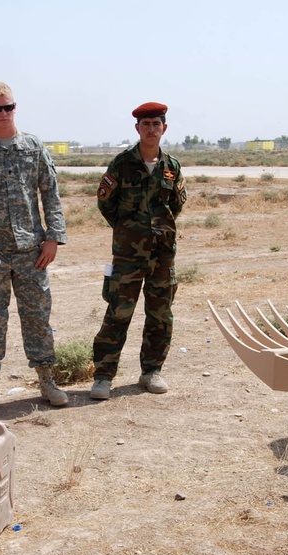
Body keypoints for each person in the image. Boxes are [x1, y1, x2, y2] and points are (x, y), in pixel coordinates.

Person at [0, 81, 69, 414]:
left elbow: (50, 194)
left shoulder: (34, 148)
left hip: (32, 251)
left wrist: (53, 236)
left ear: (15, 107)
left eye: (8, 107)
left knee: (37, 317)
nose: (3, 113)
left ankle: (47, 380)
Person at [89, 102, 187, 401]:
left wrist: (157, 230)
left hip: (162, 255)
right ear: (137, 129)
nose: (151, 129)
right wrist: (127, 230)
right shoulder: (121, 164)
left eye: (156, 124)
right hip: (128, 255)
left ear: (164, 128)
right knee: (118, 313)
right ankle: (103, 376)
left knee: (160, 315)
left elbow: (177, 205)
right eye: (146, 124)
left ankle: (151, 371)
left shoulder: (172, 167)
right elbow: (106, 202)